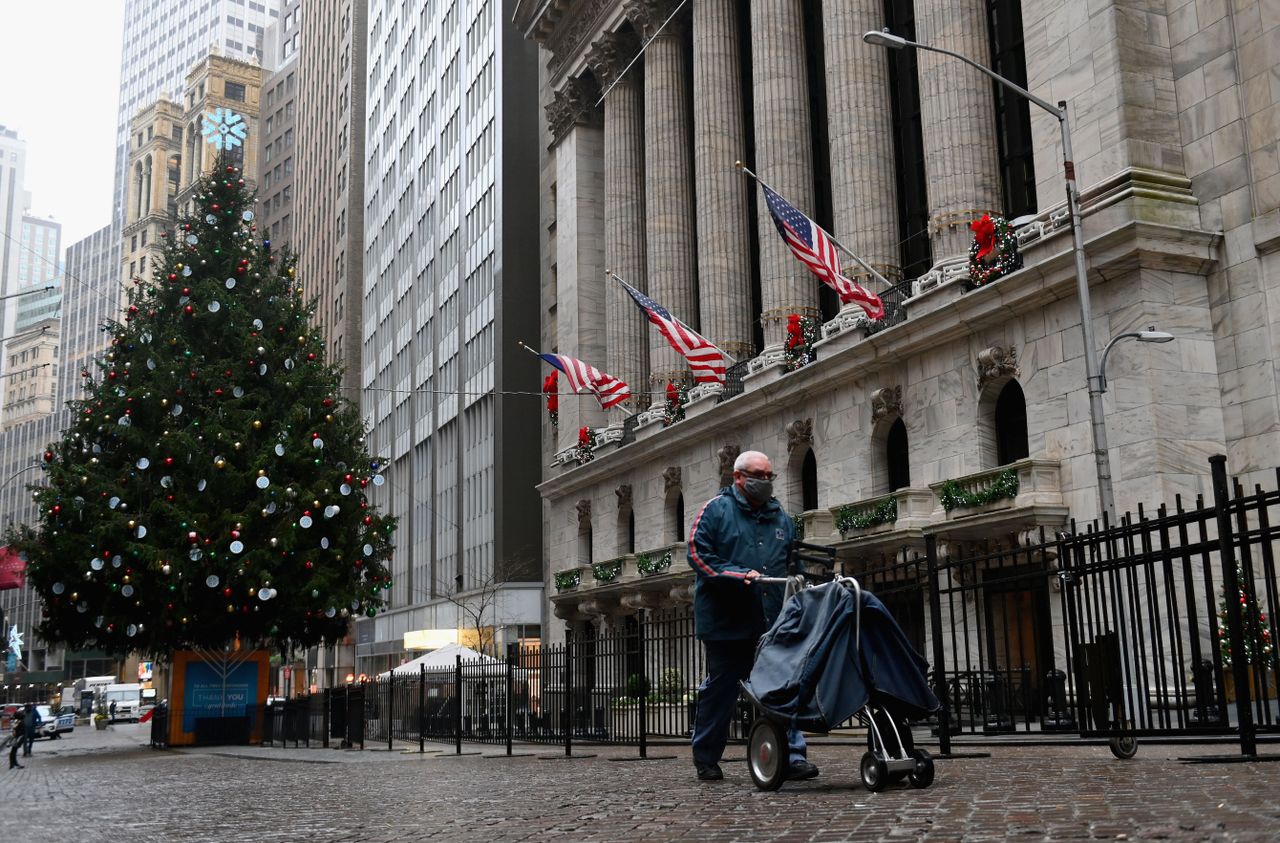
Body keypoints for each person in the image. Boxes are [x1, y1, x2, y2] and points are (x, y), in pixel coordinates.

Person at [686, 449, 819, 783]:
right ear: (738, 477)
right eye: (758, 475)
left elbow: (794, 565)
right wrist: (735, 575)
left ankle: (790, 755)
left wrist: (800, 595)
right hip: (726, 622)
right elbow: (698, 555)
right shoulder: (715, 511)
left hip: (772, 620)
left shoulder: (780, 518)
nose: (764, 482)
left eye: (768, 476)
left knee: (781, 688)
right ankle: (706, 757)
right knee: (723, 688)